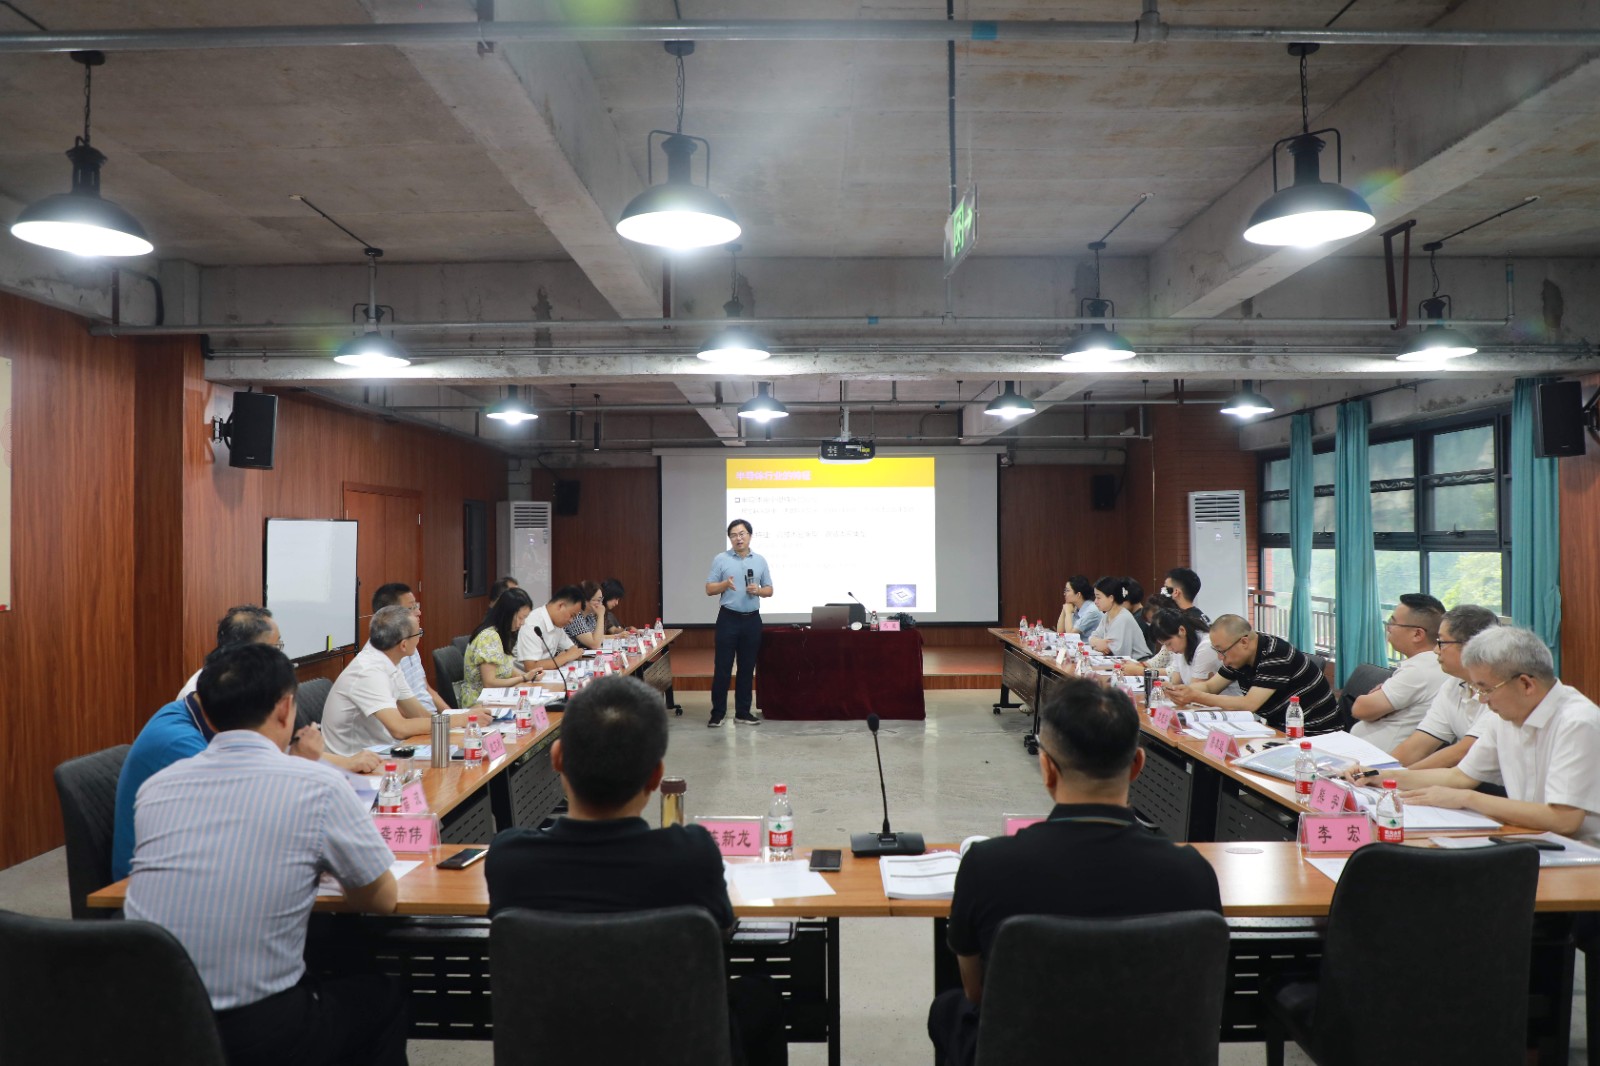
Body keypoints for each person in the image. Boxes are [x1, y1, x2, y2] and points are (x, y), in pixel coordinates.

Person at [125, 644, 405, 1066]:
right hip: (257, 1029)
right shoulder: (318, 784)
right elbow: (381, 899)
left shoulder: (156, 787)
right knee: (382, 996)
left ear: (208, 713)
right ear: (286, 708)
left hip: (151, 1023)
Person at [484, 676, 786, 1065]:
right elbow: (723, 929)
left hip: (554, 1046)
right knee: (759, 995)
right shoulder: (692, 856)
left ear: (557, 757)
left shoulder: (510, 859)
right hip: (670, 1046)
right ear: (657, 776)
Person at [927, 679, 1222, 1066]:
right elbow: (1199, 991)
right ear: (1137, 765)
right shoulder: (1192, 872)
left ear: (1046, 767)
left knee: (948, 1008)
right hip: (1149, 1052)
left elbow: (978, 992)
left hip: (1025, 1052)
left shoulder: (987, 865)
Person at [114, 608, 381, 881]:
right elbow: (248, 810)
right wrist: (303, 767)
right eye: (276, 649)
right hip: (157, 877)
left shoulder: (220, 695)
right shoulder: (183, 741)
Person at [1374, 627, 1600, 844]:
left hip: (1584, 852)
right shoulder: (1504, 718)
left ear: (1526, 684)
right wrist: (1381, 776)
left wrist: (1467, 798)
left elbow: (1564, 820)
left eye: (1486, 689)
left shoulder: (1577, 723)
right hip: (1530, 838)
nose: (1482, 699)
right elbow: (1459, 777)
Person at [322, 604, 465, 756]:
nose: (419, 638)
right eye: (419, 633)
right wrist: (459, 720)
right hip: (354, 762)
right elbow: (399, 729)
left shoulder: (390, 662)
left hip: (381, 753)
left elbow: (419, 714)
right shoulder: (368, 672)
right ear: (403, 644)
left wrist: (462, 721)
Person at [1165, 615, 1341, 734]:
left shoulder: (1276, 654)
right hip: (1279, 729)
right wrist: (1180, 691)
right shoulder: (1238, 656)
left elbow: (1249, 704)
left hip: (1315, 733)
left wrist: (1195, 696)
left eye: (1222, 651)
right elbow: (1210, 686)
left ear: (1243, 642)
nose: (1220, 657)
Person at [1388, 605, 1501, 769]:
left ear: (1470, 646)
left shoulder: (1502, 691)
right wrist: (1378, 771)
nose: (1435, 650)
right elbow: (1419, 745)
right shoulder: (1453, 685)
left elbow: (1464, 752)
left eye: (1441, 642)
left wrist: (1395, 776)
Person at [1349, 593, 1448, 753]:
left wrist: (1376, 698)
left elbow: (1360, 709)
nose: (1389, 627)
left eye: (1393, 623)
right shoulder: (1429, 664)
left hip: (1380, 757)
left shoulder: (1419, 671)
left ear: (1417, 634)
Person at [705, 518, 772, 727]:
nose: (738, 538)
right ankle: (717, 713)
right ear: (730, 538)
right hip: (728, 619)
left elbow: (769, 589)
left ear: (749, 536)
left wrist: (758, 591)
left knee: (747, 668)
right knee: (722, 668)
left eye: (742, 534)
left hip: (752, 620)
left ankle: (743, 712)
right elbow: (709, 589)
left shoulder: (760, 560)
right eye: (733, 535)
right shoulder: (721, 559)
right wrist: (725, 584)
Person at [371, 582, 448, 713]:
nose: (419, 612)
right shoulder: (382, 658)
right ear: (390, 617)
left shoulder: (409, 644)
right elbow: (401, 713)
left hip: (428, 718)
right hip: (416, 722)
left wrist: (455, 716)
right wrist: (448, 721)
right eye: (411, 608)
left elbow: (426, 689)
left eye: (416, 606)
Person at [177, 604, 280, 699]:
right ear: (249, 651)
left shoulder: (254, 680)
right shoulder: (204, 693)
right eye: (275, 647)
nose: (279, 655)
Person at [1144, 608, 1241, 697]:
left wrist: (1172, 689)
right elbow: (1176, 682)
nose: (1169, 649)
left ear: (1182, 630)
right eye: (1165, 645)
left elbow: (1196, 692)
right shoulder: (1180, 648)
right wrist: (1169, 687)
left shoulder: (1206, 646)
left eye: (1169, 643)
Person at [515, 585, 588, 671]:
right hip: (524, 677)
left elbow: (573, 650)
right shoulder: (533, 624)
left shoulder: (556, 624)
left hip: (547, 675)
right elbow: (531, 667)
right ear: (561, 606)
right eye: (572, 615)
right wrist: (565, 657)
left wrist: (566, 656)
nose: (571, 621)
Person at [1087, 577, 1150, 659]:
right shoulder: (1107, 614)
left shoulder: (1123, 618)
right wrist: (1097, 642)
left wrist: (1097, 643)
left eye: (1098, 597)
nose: (1095, 601)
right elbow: (1093, 636)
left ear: (1111, 598)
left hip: (1138, 663)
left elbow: (1115, 652)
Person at [564, 580, 608, 650]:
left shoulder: (589, 616)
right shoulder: (575, 616)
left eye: (601, 600)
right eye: (598, 600)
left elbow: (598, 637)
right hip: (566, 654)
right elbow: (595, 644)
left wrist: (617, 636)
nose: (601, 604)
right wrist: (601, 615)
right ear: (584, 600)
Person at [1055, 575, 1102, 641]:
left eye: (1067, 591)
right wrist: (1064, 610)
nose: (1064, 594)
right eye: (1065, 590)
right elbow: (1059, 633)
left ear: (1078, 594)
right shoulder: (1075, 608)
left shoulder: (1091, 610)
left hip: (1092, 646)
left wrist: (1068, 612)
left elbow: (1070, 635)